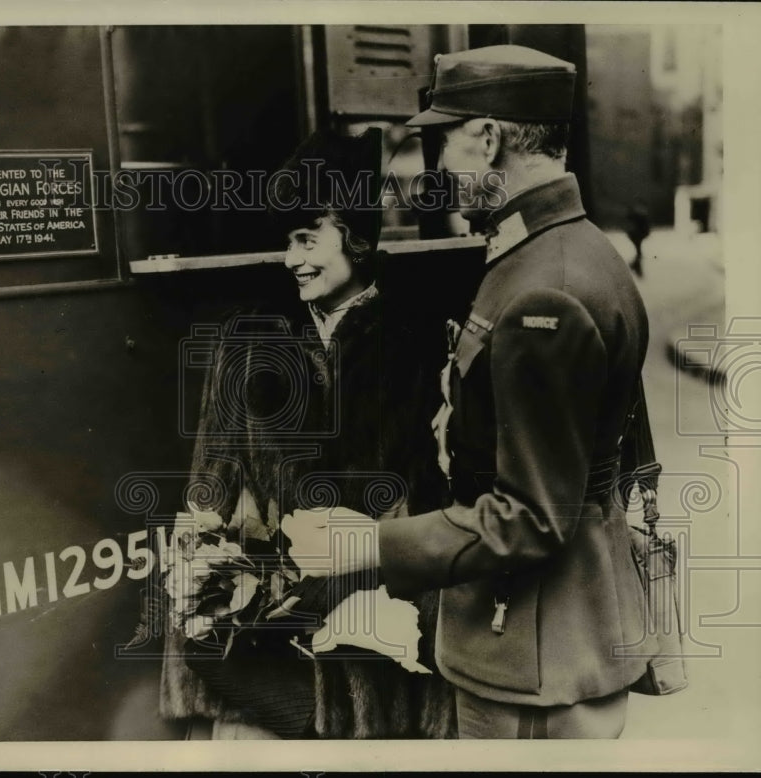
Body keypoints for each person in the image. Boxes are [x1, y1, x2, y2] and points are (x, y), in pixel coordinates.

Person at [281, 45, 657, 739]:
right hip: (551, 636)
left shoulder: (545, 286)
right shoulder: (566, 253)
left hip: (533, 659)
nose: (438, 169)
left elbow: (533, 517)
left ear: (488, 139)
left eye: (442, 141)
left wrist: (369, 545)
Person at [159, 128, 457, 740]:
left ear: (357, 237)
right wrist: (199, 592)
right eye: (286, 242)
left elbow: (440, 509)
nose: (292, 258)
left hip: (383, 654)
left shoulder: (422, 344)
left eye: (306, 238)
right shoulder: (249, 343)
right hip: (270, 655)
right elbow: (207, 496)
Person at [626, 202, 651, 277]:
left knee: (639, 252)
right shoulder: (639, 216)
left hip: (637, 236)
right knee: (639, 253)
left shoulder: (641, 216)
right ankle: (634, 266)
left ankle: (634, 266)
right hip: (636, 236)